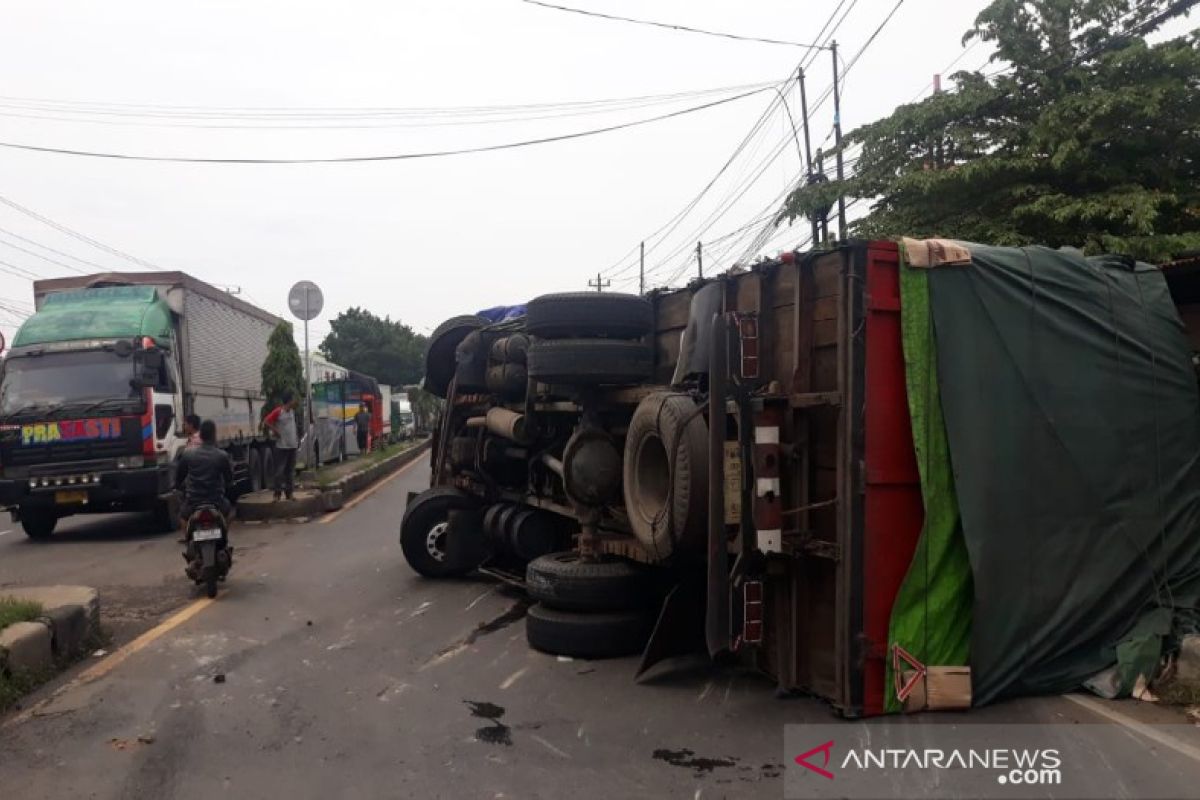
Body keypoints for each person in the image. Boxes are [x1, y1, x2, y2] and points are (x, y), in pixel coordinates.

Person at [175, 419, 235, 526]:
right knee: (231, 513)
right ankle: (224, 536)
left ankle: (187, 539)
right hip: (216, 499)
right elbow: (229, 478)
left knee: (182, 517)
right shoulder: (222, 455)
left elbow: (180, 476)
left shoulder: (188, 455)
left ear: (201, 435)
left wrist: (177, 485)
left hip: (193, 500)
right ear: (214, 435)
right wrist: (229, 484)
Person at [263, 390, 299, 501]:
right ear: (289, 401)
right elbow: (266, 421)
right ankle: (277, 494)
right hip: (282, 446)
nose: (294, 401)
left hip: (292, 445)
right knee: (279, 471)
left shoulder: (292, 411)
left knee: (290, 471)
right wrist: (275, 431)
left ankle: (290, 493)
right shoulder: (279, 411)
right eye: (293, 399)